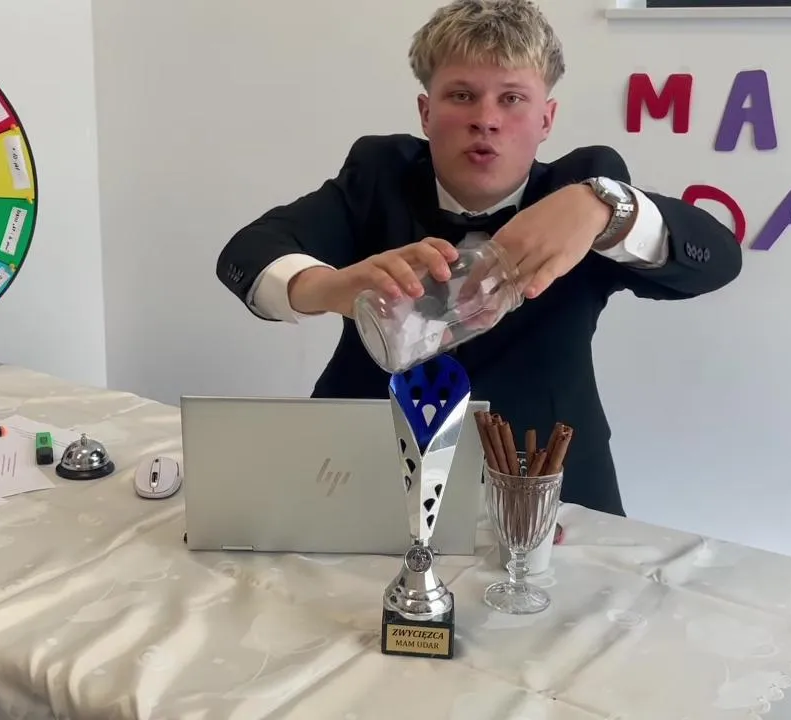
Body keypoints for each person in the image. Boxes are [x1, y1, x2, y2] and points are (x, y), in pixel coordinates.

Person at [215, 0, 741, 517]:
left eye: (512, 98)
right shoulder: (378, 174)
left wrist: (608, 209)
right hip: (361, 472)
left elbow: (718, 260)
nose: (486, 120)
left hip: (542, 483)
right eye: (462, 95)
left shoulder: (583, 191)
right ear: (426, 112)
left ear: (546, 118)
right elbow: (246, 253)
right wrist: (328, 289)